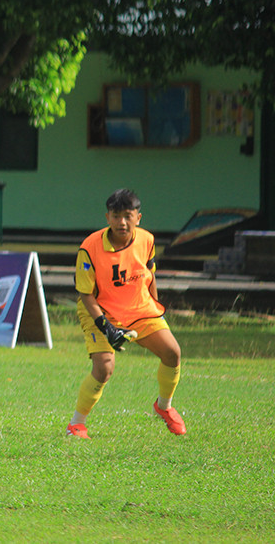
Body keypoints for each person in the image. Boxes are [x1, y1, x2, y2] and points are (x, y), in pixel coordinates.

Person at [66, 188, 185, 439]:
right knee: (104, 368)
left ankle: (164, 407)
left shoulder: (147, 240)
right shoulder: (89, 247)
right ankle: (77, 424)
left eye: (128, 216)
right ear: (107, 217)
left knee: (172, 353)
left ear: (138, 218)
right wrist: (106, 326)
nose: (122, 222)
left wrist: (154, 307)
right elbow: (86, 294)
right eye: (116, 215)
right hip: (100, 310)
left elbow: (149, 272)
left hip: (139, 307)